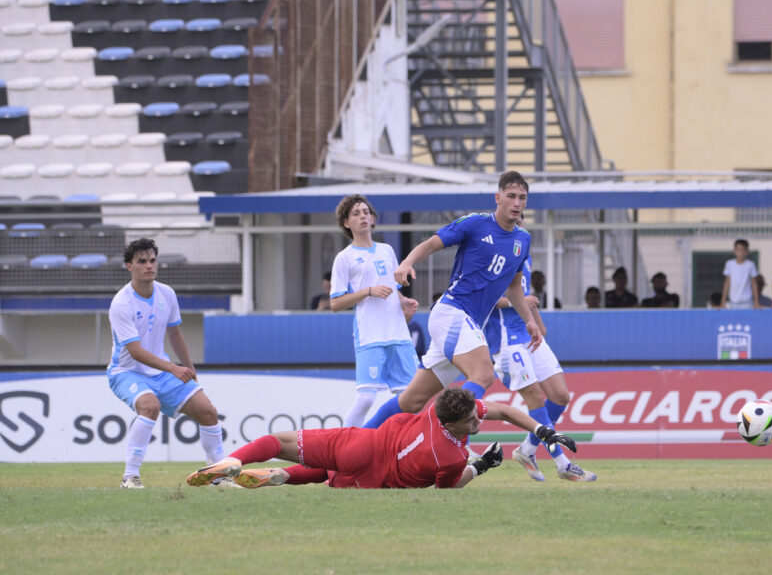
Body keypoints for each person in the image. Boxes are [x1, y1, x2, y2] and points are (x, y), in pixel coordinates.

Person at [359, 171, 540, 429]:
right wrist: (407, 262)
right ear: (497, 197)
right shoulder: (475, 223)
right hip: (453, 312)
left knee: (411, 401)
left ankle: (357, 438)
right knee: (484, 373)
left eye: (522, 197)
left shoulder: (523, 239)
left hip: (465, 324)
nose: (517, 203)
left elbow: (513, 287)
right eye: (510, 196)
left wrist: (529, 321)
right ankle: (441, 432)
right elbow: (431, 244)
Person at [186, 388, 577, 490]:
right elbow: (452, 485)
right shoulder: (450, 458)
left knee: (278, 440)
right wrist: (483, 465)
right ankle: (285, 477)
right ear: (458, 423)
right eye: (474, 418)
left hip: (363, 444)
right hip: (370, 478)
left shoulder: (436, 408)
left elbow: (504, 411)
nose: (481, 418)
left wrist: (545, 432)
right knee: (324, 473)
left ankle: (233, 462)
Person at [108, 238, 229, 489]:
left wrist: (189, 366)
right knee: (149, 405)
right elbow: (136, 351)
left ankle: (218, 475)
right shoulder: (121, 303)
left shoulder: (166, 293)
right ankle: (130, 476)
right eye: (142, 261)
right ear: (129, 266)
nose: (149, 266)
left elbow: (174, 333)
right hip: (127, 372)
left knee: (207, 411)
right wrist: (175, 368)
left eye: (152, 260)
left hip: (161, 370)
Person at [485, 253, 596, 482]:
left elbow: (525, 296)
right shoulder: (494, 255)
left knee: (560, 395)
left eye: (522, 217)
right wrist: (522, 302)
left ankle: (526, 450)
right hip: (508, 340)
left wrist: (536, 321)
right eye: (514, 217)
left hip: (530, 335)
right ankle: (562, 463)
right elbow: (485, 298)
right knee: (535, 396)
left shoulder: (523, 255)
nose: (518, 221)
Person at [329, 194, 420, 428]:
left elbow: (393, 289)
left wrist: (404, 302)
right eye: (356, 213)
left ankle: (402, 450)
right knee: (366, 397)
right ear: (346, 223)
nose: (363, 216)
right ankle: (342, 451)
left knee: (412, 398)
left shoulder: (387, 250)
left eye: (366, 212)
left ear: (373, 218)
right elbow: (336, 303)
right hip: (371, 336)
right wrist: (368, 291)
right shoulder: (344, 258)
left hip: (399, 335)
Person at [720, 239, 759, 310]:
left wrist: (756, 301)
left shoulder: (750, 265)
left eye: (744, 250)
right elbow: (727, 283)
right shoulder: (729, 264)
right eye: (739, 250)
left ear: (747, 251)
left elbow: (754, 284)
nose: (741, 253)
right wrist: (723, 301)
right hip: (733, 302)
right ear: (734, 251)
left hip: (747, 302)